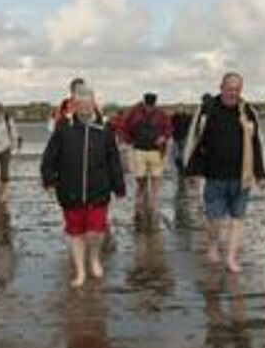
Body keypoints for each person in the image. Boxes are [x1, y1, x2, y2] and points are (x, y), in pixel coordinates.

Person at [41, 84, 125, 288]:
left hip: (99, 190)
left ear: (94, 104)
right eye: (79, 104)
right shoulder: (63, 127)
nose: (84, 107)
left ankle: (94, 257)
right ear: (74, 105)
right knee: (76, 233)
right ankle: (80, 271)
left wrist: (118, 185)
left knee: (95, 232)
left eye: (88, 103)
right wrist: (49, 180)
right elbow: (49, 158)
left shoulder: (105, 128)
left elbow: (113, 159)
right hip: (70, 190)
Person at [184, 72, 265, 273]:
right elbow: (195, 140)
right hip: (214, 176)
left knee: (238, 218)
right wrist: (192, 172)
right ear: (221, 87)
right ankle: (213, 245)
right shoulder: (207, 109)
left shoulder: (248, 111)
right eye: (230, 88)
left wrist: (261, 174)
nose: (233, 93)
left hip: (242, 176)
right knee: (215, 219)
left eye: (237, 89)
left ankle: (231, 258)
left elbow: (256, 144)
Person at [120, 92, 172, 229]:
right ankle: (138, 210)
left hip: (155, 152)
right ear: (144, 103)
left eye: (152, 106)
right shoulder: (135, 113)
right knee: (141, 183)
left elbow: (168, 129)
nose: (150, 108)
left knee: (155, 183)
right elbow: (124, 128)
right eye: (148, 105)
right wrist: (129, 141)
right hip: (139, 152)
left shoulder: (160, 114)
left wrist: (163, 137)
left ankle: (153, 210)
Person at [170, 108, 192, 179]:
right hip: (176, 137)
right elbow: (171, 126)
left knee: (183, 152)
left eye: (181, 108)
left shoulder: (188, 117)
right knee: (176, 153)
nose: (180, 110)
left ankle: (182, 167)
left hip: (184, 137)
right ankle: (180, 166)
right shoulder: (174, 117)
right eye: (179, 108)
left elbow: (190, 126)